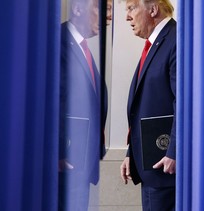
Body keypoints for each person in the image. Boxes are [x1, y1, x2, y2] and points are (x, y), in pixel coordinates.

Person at [120, 0, 176, 210]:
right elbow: (144, 108)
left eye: (131, 8)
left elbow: (182, 102)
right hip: (151, 164)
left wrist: (174, 152)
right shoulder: (157, 43)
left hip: (165, 166)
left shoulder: (175, 39)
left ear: (153, 9)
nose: (127, 17)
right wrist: (131, 154)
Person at [59, 0, 107, 210]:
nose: (109, 16)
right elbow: (51, 102)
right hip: (64, 164)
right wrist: (57, 151)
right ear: (78, 9)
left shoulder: (84, 47)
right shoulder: (57, 42)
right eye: (101, 8)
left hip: (82, 163)